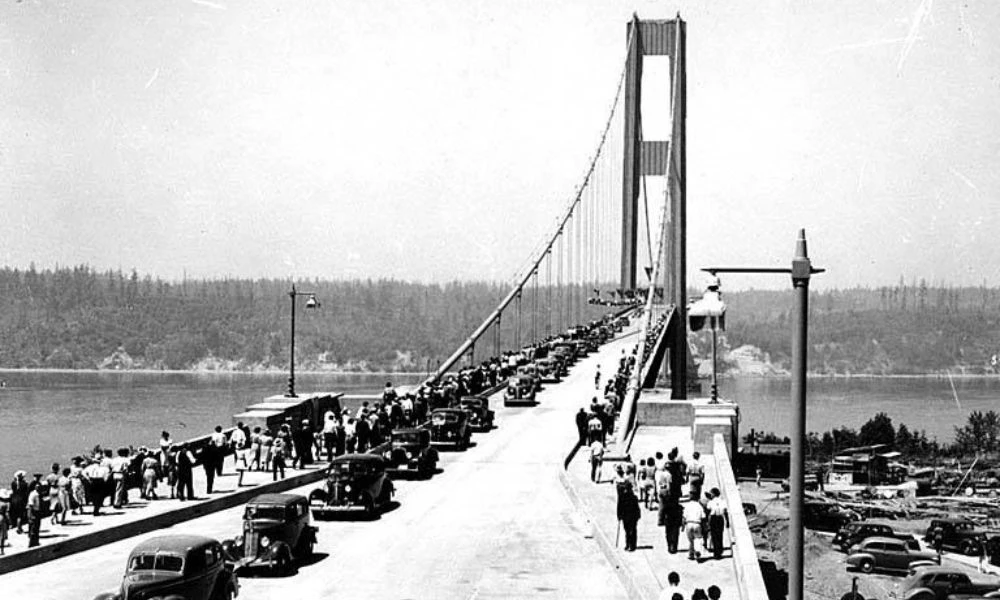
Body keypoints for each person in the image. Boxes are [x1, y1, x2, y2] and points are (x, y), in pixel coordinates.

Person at [617, 479, 641, 552]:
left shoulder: (630, 497)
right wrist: (619, 515)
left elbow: (619, 507)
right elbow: (619, 507)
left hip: (630, 516)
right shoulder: (630, 497)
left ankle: (631, 545)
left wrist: (619, 515)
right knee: (628, 531)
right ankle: (629, 544)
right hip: (628, 516)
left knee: (631, 531)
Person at [707, 487, 728, 560]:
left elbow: (708, 510)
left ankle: (716, 553)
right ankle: (719, 551)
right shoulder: (723, 501)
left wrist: (707, 522)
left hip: (713, 519)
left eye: (711, 493)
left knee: (714, 535)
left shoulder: (711, 502)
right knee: (720, 535)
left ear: (713, 494)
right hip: (720, 519)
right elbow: (725, 512)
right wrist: (727, 522)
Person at [26, 478, 42, 547]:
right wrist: (30, 515)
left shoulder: (38, 494)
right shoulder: (33, 494)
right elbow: (30, 506)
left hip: (38, 512)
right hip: (34, 512)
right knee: (33, 528)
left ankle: (36, 542)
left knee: (37, 528)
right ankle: (32, 543)